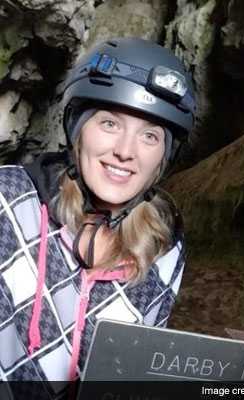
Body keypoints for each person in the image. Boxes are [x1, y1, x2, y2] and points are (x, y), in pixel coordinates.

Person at [0, 37, 195, 395]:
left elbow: (133, 372)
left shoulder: (164, 246)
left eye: (150, 136)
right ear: (78, 129)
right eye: (109, 124)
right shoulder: (8, 200)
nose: (125, 151)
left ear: (163, 158)